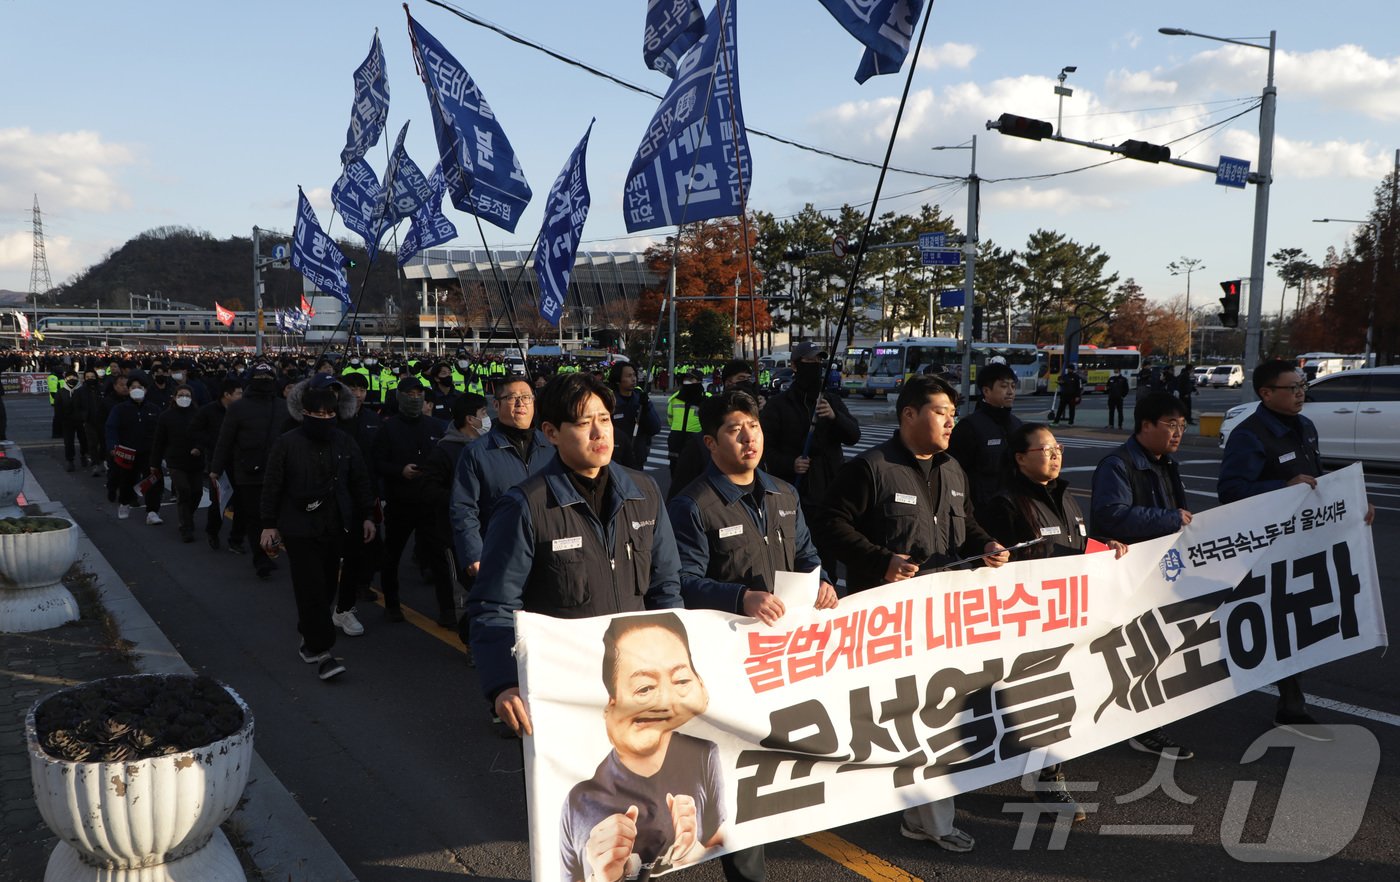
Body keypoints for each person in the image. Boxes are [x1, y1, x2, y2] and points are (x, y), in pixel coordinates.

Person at [815, 374, 1008, 853]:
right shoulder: (872, 468)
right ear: (909, 415)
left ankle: (919, 816)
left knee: (932, 719)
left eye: (952, 412)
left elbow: (965, 527)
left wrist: (985, 544)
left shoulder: (953, 469)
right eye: (941, 411)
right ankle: (926, 819)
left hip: (945, 618)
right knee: (911, 721)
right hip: (889, 625)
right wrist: (881, 560)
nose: (950, 420)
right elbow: (828, 523)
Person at [666, 390, 836, 882]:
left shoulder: (785, 493)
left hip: (786, 658)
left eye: (754, 427)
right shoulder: (693, 505)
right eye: (734, 429)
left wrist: (822, 581)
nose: (748, 437)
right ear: (710, 442)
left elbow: (806, 554)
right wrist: (739, 597)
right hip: (730, 664)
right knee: (735, 775)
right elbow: (680, 582)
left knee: (778, 763)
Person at [466, 372, 683, 739]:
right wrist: (503, 682)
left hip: (640, 683)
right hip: (566, 689)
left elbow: (666, 585)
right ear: (551, 433)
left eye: (605, 420)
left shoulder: (644, 492)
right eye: (584, 423)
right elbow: (494, 605)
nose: (600, 433)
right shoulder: (525, 506)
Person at [1217, 360, 1375, 740]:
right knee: (1279, 617)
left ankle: (1290, 703)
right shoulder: (1249, 435)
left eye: (1303, 385)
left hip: (1304, 541)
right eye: (1292, 388)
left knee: (1298, 618)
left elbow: (1317, 480)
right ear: (1266, 393)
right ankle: (1288, 701)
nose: (1301, 393)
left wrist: (1354, 504)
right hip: (1267, 546)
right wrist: (1280, 488)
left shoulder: (1305, 427)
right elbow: (1231, 491)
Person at [981, 423, 1129, 822]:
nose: (1056, 454)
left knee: (1061, 703)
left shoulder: (1067, 497)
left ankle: (1048, 777)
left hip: (1069, 622)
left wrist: (1105, 550)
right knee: (1021, 705)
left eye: (1058, 447)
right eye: (1046, 449)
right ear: (1020, 458)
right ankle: (1034, 778)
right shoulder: (1005, 504)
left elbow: (1077, 548)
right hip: (1024, 625)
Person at [561, 614, 723, 882]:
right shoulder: (579, 800)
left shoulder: (705, 755)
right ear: (611, 705)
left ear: (700, 684)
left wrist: (696, 851)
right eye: (645, 687)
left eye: (681, 680)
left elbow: (723, 836)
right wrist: (601, 877)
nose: (666, 701)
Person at [1089, 392, 1195, 760]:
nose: (1178, 433)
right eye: (1171, 425)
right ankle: (1139, 726)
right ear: (1145, 425)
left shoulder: (1167, 463)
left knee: (1154, 648)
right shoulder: (1118, 465)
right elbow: (1109, 516)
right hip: (1129, 572)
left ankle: (1142, 720)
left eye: (1182, 426)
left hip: (1159, 571)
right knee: (1133, 650)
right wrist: (1171, 519)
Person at [259, 377, 375, 682]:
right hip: (299, 527)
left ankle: (308, 632)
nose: (323, 420)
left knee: (325, 586)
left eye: (329, 415)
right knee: (309, 585)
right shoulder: (287, 443)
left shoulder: (344, 441)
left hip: (336, 525)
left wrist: (366, 516)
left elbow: (360, 480)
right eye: (317, 415)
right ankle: (324, 652)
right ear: (304, 413)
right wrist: (268, 524)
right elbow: (272, 484)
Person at [760, 342, 860, 579]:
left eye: (818, 362)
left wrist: (835, 418)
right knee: (800, 557)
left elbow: (854, 436)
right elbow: (765, 451)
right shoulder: (779, 405)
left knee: (829, 557)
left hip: (831, 491)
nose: (815, 367)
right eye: (809, 362)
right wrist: (790, 463)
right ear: (795, 365)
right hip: (796, 493)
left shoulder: (831, 401)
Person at [450, 376, 555, 594]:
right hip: (501, 556)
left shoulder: (552, 446)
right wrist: (474, 554)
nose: (521, 404)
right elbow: (464, 507)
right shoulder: (477, 452)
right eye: (512, 398)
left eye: (527, 397)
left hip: (550, 554)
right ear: (496, 405)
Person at [371, 379, 449, 623]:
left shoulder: (436, 426)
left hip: (431, 503)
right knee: (391, 555)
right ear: (399, 396)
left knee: (440, 558)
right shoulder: (387, 428)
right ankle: (392, 605)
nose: (414, 398)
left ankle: (448, 611)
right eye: (409, 394)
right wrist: (399, 471)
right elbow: (377, 462)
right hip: (400, 501)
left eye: (418, 393)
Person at [421, 392, 489, 634]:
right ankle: (467, 634)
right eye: (484, 414)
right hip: (454, 531)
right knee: (463, 585)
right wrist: (461, 500)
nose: (487, 418)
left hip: (487, 527)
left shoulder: (489, 445)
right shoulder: (445, 450)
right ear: (470, 420)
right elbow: (429, 489)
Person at [211, 363, 286, 579]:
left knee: (265, 517)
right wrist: (216, 467)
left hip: (268, 471)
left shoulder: (282, 407)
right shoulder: (239, 408)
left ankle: (265, 552)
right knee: (257, 518)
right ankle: (261, 558)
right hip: (250, 472)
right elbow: (225, 440)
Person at [947, 361, 1021, 514]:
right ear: (986, 391)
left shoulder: (1017, 425)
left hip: (1015, 508)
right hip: (980, 511)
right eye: (1003, 386)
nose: (1010, 392)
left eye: (1013, 386)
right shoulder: (969, 426)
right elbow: (954, 473)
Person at [190, 378, 243, 550]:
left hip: (240, 461)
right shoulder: (208, 411)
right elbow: (194, 430)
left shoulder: (242, 410)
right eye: (238, 393)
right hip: (217, 461)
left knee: (242, 502)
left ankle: (237, 539)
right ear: (227, 394)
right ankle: (212, 532)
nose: (241, 396)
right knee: (219, 501)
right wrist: (213, 442)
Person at [105, 375, 164, 523]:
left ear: (145, 390)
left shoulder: (154, 409)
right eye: (133, 388)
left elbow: (162, 431)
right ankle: (124, 503)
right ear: (128, 390)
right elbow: (111, 428)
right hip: (127, 452)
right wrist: (113, 447)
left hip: (149, 452)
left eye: (140, 388)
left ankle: (152, 511)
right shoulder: (120, 409)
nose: (136, 390)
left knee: (153, 481)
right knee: (127, 480)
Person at [152, 384, 202, 542]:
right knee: (183, 490)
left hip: (196, 460)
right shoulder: (166, 416)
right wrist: (154, 462)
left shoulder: (199, 414)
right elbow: (159, 441)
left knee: (197, 492)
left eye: (187, 395)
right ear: (174, 397)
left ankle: (188, 515)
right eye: (181, 395)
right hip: (175, 461)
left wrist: (199, 447)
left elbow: (206, 435)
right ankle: (185, 526)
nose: (184, 398)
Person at [608, 361, 660, 471]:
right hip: (613, 461)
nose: (633, 379)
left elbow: (655, 428)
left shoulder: (641, 400)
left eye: (634, 375)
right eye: (628, 376)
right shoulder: (609, 402)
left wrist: (646, 408)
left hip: (637, 459)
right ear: (618, 380)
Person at [665, 371, 707, 477]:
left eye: (691, 379)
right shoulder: (675, 398)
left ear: (699, 381)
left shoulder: (706, 398)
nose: (687, 382)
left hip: (695, 437)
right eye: (686, 379)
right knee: (675, 469)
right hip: (677, 437)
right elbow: (670, 418)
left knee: (694, 470)